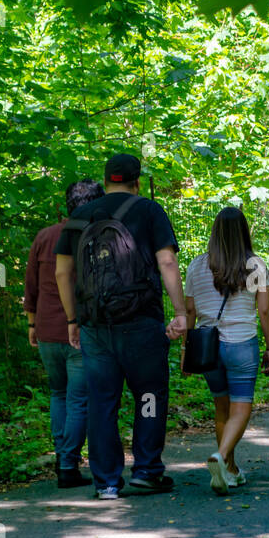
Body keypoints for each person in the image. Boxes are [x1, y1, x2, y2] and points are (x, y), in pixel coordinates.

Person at [53, 153, 189, 500]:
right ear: (137, 181)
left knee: (102, 402)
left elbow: (62, 273)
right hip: (141, 321)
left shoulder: (79, 216)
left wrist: (72, 319)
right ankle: (146, 470)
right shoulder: (149, 210)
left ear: (106, 179)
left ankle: (107, 482)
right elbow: (167, 261)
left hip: (96, 325)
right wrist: (180, 311)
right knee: (147, 395)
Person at [183, 207, 269, 495]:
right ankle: (222, 457)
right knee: (241, 407)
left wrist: (186, 351)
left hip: (208, 347)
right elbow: (264, 309)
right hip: (241, 344)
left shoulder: (197, 266)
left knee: (221, 407)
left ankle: (231, 471)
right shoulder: (255, 265)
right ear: (244, 233)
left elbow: (189, 311)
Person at [25, 179, 102, 488]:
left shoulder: (44, 236)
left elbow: (31, 285)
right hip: (80, 330)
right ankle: (68, 465)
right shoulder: (96, 236)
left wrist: (31, 324)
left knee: (59, 394)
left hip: (46, 329)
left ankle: (62, 457)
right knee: (79, 400)